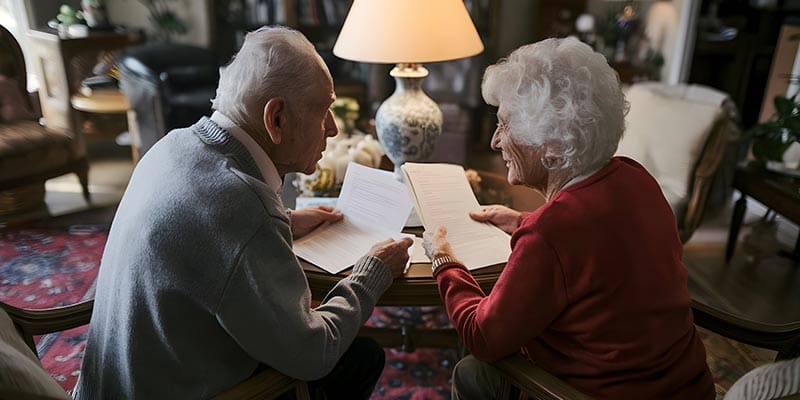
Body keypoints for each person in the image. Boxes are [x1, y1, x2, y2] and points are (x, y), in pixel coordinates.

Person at [74, 26, 412, 399]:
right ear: (276, 118)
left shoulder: (171, 145)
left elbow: (206, 234)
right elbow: (313, 354)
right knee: (361, 357)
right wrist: (372, 274)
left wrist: (281, 220)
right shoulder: (245, 209)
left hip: (110, 385)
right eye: (324, 110)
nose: (332, 129)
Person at [423, 37, 715, 399]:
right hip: (688, 387)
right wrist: (523, 222)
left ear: (553, 146)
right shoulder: (635, 177)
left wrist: (444, 260)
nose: (496, 141)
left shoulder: (553, 232)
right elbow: (598, 241)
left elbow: (483, 337)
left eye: (506, 126)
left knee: (473, 371)